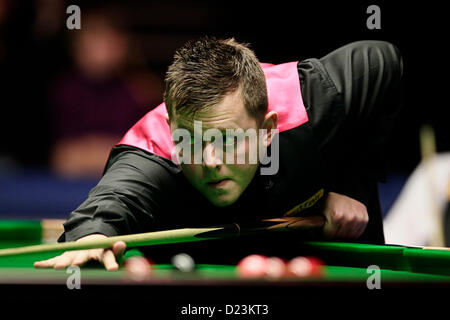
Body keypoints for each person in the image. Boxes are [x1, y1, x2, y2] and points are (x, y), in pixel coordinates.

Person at [35, 37, 403, 271]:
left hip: (331, 259)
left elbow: (381, 59)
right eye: (191, 141)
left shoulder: (313, 101)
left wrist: (349, 184)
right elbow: (108, 205)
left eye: (227, 139)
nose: (209, 161)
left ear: (267, 128)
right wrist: (89, 237)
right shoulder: (154, 152)